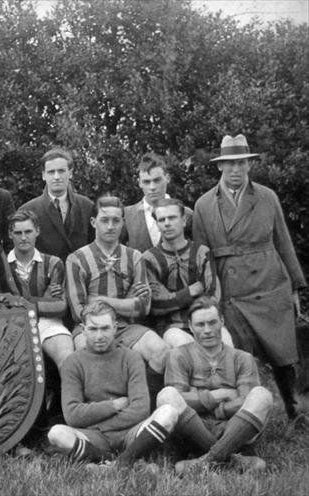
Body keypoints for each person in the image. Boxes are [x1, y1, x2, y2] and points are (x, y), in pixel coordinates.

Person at [193, 134, 306, 421]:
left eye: (241, 163)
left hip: (270, 284)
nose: (235, 170)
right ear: (220, 167)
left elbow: (283, 241)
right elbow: (202, 255)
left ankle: (295, 409)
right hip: (231, 291)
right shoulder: (204, 204)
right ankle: (242, 412)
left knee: (283, 352)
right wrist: (210, 295)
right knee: (238, 354)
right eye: (229, 164)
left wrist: (295, 285)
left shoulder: (267, 197)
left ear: (249, 165)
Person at [46, 301, 179, 470]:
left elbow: (141, 409)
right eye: (93, 329)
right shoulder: (73, 362)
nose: (99, 335)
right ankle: (120, 461)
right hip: (93, 436)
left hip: (131, 432)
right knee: (57, 433)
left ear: (115, 328)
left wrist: (95, 417)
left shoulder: (131, 358)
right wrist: (114, 405)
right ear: (83, 329)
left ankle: (115, 463)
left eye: (105, 328)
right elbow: (72, 415)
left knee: (169, 413)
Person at [65, 195, 169, 404]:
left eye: (116, 220)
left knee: (162, 351)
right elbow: (79, 311)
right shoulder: (77, 259)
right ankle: (94, 410)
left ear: (123, 222)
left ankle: (143, 405)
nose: (111, 226)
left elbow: (142, 308)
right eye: (105, 220)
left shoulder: (134, 257)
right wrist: (126, 303)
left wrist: (103, 300)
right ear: (94, 222)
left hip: (126, 327)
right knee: (85, 350)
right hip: (90, 327)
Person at [158, 296, 273, 473]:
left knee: (262, 395)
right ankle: (231, 458)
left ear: (222, 322)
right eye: (200, 324)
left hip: (233, 428)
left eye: (212, 323)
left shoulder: (242, 358)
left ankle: (204, 461)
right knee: (166, 395)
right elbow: (177, 398)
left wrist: (217, 409)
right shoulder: (179, 355)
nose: (207, 330)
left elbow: (245, 400)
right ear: (190, 326)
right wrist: (222, 394)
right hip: (192, 428)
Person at [141, 198, 233, 348]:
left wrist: (174, 298)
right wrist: (191, 291)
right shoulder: (149, 258)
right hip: (173, 327)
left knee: (227, 346)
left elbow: (213, 295)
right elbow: (157, 304)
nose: (167, 223)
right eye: (162, 219)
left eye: (172, 218)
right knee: (186, 348)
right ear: (157, 224)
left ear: (183, 221)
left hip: (206, 321)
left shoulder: (202, 252)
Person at [6, 210, 73, 369]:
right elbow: (3, 305)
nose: (23, 237)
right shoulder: (1, 264)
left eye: (28, 231)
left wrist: (21, 301)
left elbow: (60, 307)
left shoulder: (53, 263)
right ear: (10, 234)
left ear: (37, 231)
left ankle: (71, 395)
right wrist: (44, 300)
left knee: (68, 357)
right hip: (12, 324)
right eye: (18, 233)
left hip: (48, 323)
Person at [19, 147, 94, 261]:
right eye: (51, 172)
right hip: (45, 276)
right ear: (44, 175)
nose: (57, 177)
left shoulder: (87, 206)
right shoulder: (28, 211)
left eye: (61, 171)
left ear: (70, 173)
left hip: (81, 275)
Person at [122, 153, 192, 253]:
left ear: (167, 178)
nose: (152, 187)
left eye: (157, 180)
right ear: (140, 183)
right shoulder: (127, 215)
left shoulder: (186, 214)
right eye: (146, 182)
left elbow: (196, 251)